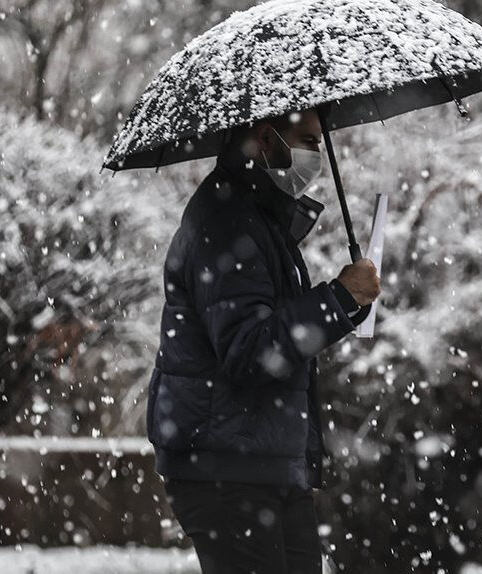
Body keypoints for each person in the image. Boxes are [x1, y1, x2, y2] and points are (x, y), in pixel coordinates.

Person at [145, 107, 380, 574]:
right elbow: (249, 351)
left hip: (259, 461)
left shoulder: (256, 216)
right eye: (308, 141)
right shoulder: (228, 220)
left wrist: (347, 303)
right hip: (228, 469)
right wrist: (336, 300)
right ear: (265, 135)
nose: (315, 155)